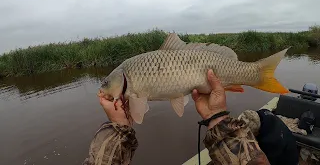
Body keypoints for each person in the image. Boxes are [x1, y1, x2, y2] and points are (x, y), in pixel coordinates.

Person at [83, 69, 272, 165]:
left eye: (107, 82)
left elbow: (137, 116)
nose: (104, 87)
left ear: (121, 78)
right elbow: (138, 114)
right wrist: (216, 115)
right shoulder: (129, 80)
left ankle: (259, 73)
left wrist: (118, 125)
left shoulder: (130, 73)